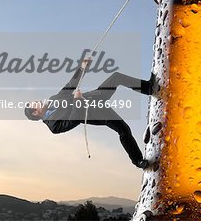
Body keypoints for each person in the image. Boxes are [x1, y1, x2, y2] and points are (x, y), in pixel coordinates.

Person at [24, 58, 152, 169]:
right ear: (35, 113)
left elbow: (70, 85)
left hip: (95, 96)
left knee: (116, 77)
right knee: (123, 130)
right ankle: (138, 161)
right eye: (35, 103)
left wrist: (82, 68)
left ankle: (148, 88)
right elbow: (73, 121)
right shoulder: (53, 126)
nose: (38, 101)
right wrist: (77, 101)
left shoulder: (53, 99)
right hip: (96, 113)